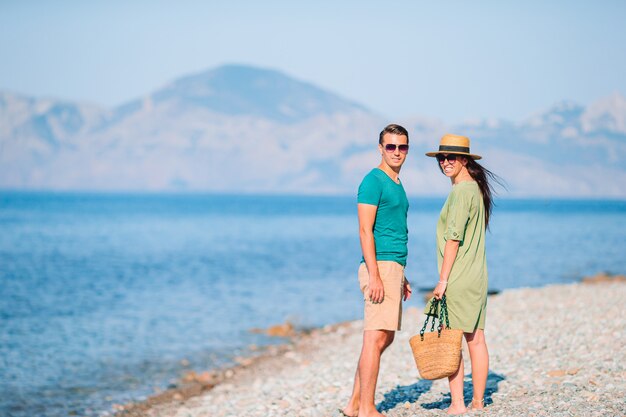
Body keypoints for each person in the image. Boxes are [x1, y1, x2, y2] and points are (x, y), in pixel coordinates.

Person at [340, 124, 413, 417]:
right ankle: (367, 409)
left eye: (402, 146)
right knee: (374, 337)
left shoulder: (396, 182)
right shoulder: (373, 181)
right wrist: (375, 275)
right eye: (391, 146)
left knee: (385, 337)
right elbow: (364, 231)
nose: (397, 152)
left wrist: (401, 275)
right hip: (378, 267)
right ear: (380, 148)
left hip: (391, 266)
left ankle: (355, 403)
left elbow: (393, 230)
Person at [424, 133, 499, 415]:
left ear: (465, 159)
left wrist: (442, 281)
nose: (445, 162)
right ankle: (478, 401)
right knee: (476, 339)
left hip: (457, 277)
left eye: (450, 157)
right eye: (441, 157)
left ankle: (458, 403)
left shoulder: (460, 192)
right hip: (477, 276)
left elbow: (453, 239)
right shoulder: (475, 189)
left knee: (451, 340)